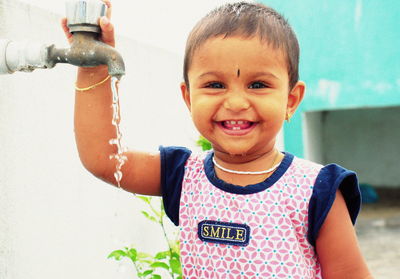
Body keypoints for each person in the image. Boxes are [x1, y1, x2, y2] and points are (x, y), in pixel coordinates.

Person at [62, 1, 372, 278]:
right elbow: (104, 160)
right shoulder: (182, 176)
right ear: (188, 97)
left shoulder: (317, 191)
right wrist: (94, 64)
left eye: (258, 84)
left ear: (291, 100)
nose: (236, 102)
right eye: (214, 85)